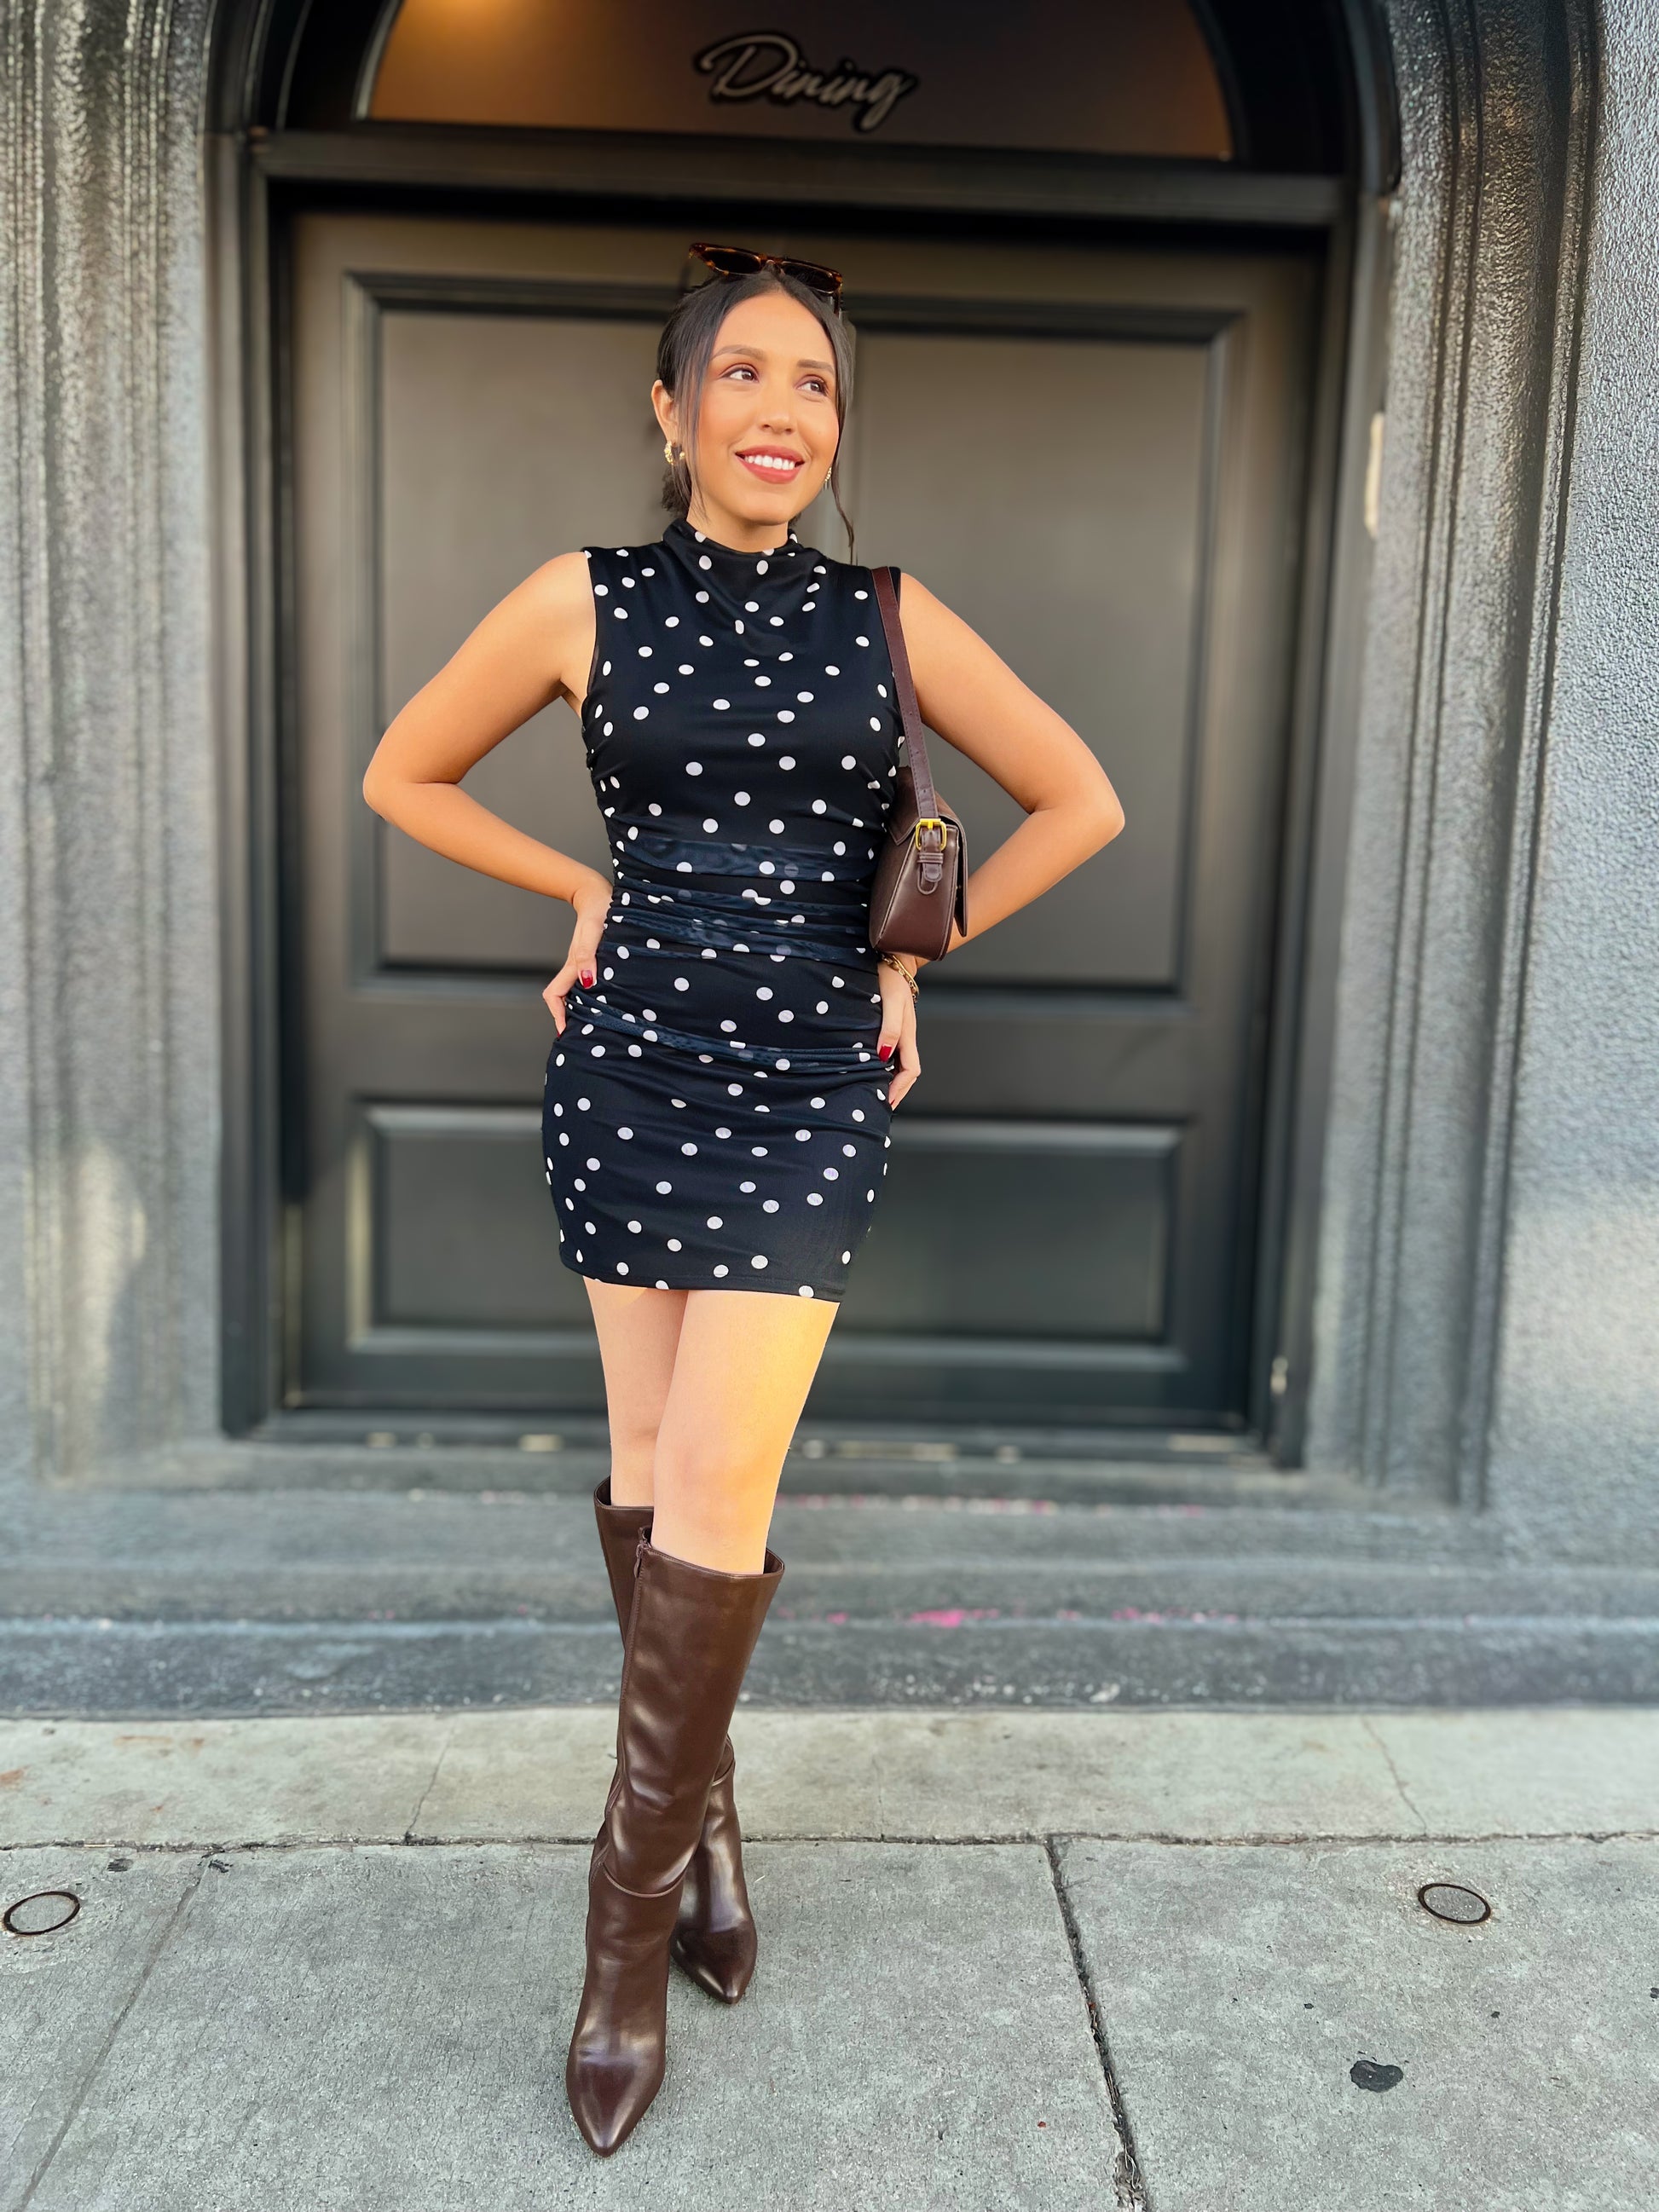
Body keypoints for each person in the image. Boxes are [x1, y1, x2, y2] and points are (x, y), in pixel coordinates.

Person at [362, 241, 1125, 2155]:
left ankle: (614, 1958)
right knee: (647, 1470)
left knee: (715, 1490)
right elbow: (402, 771)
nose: (783, 410)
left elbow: (1076, 797)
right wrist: (583, 891)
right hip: (629, 1068)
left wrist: (913, 957)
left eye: (815, 385)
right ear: (671, 404)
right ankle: (701, 1849)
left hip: (806, 1088)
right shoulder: (580, 597)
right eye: (747, 374)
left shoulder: (886, 614)